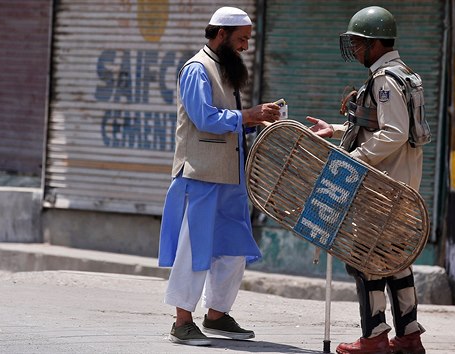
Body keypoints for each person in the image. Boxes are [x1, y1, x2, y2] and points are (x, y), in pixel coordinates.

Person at [157, 6, 280, 347]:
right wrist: (247, 115)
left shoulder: (224, 68)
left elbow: (230, 118)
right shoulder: (197, 69)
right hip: (201, 173)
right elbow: (204, 118)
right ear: (221, 34)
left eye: (248, 40)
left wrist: (254, 120)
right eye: (241, 39)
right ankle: (182, 322)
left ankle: (217, 314)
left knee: (233, 247)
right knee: (195, 248)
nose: (245, 47)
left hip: (230, 175)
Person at [307, 6, 426, 354]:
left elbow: (394, 133)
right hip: (401, 186)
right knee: (396, 260)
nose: (355, 50)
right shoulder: (403, 73)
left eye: (358, 44)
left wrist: (353, 159)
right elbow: (379, 127)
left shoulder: (385, 80)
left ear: (375, 44)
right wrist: (339, 130)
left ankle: (374, 338)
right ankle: (409, 336)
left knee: (366, 260)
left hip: (382, 188)